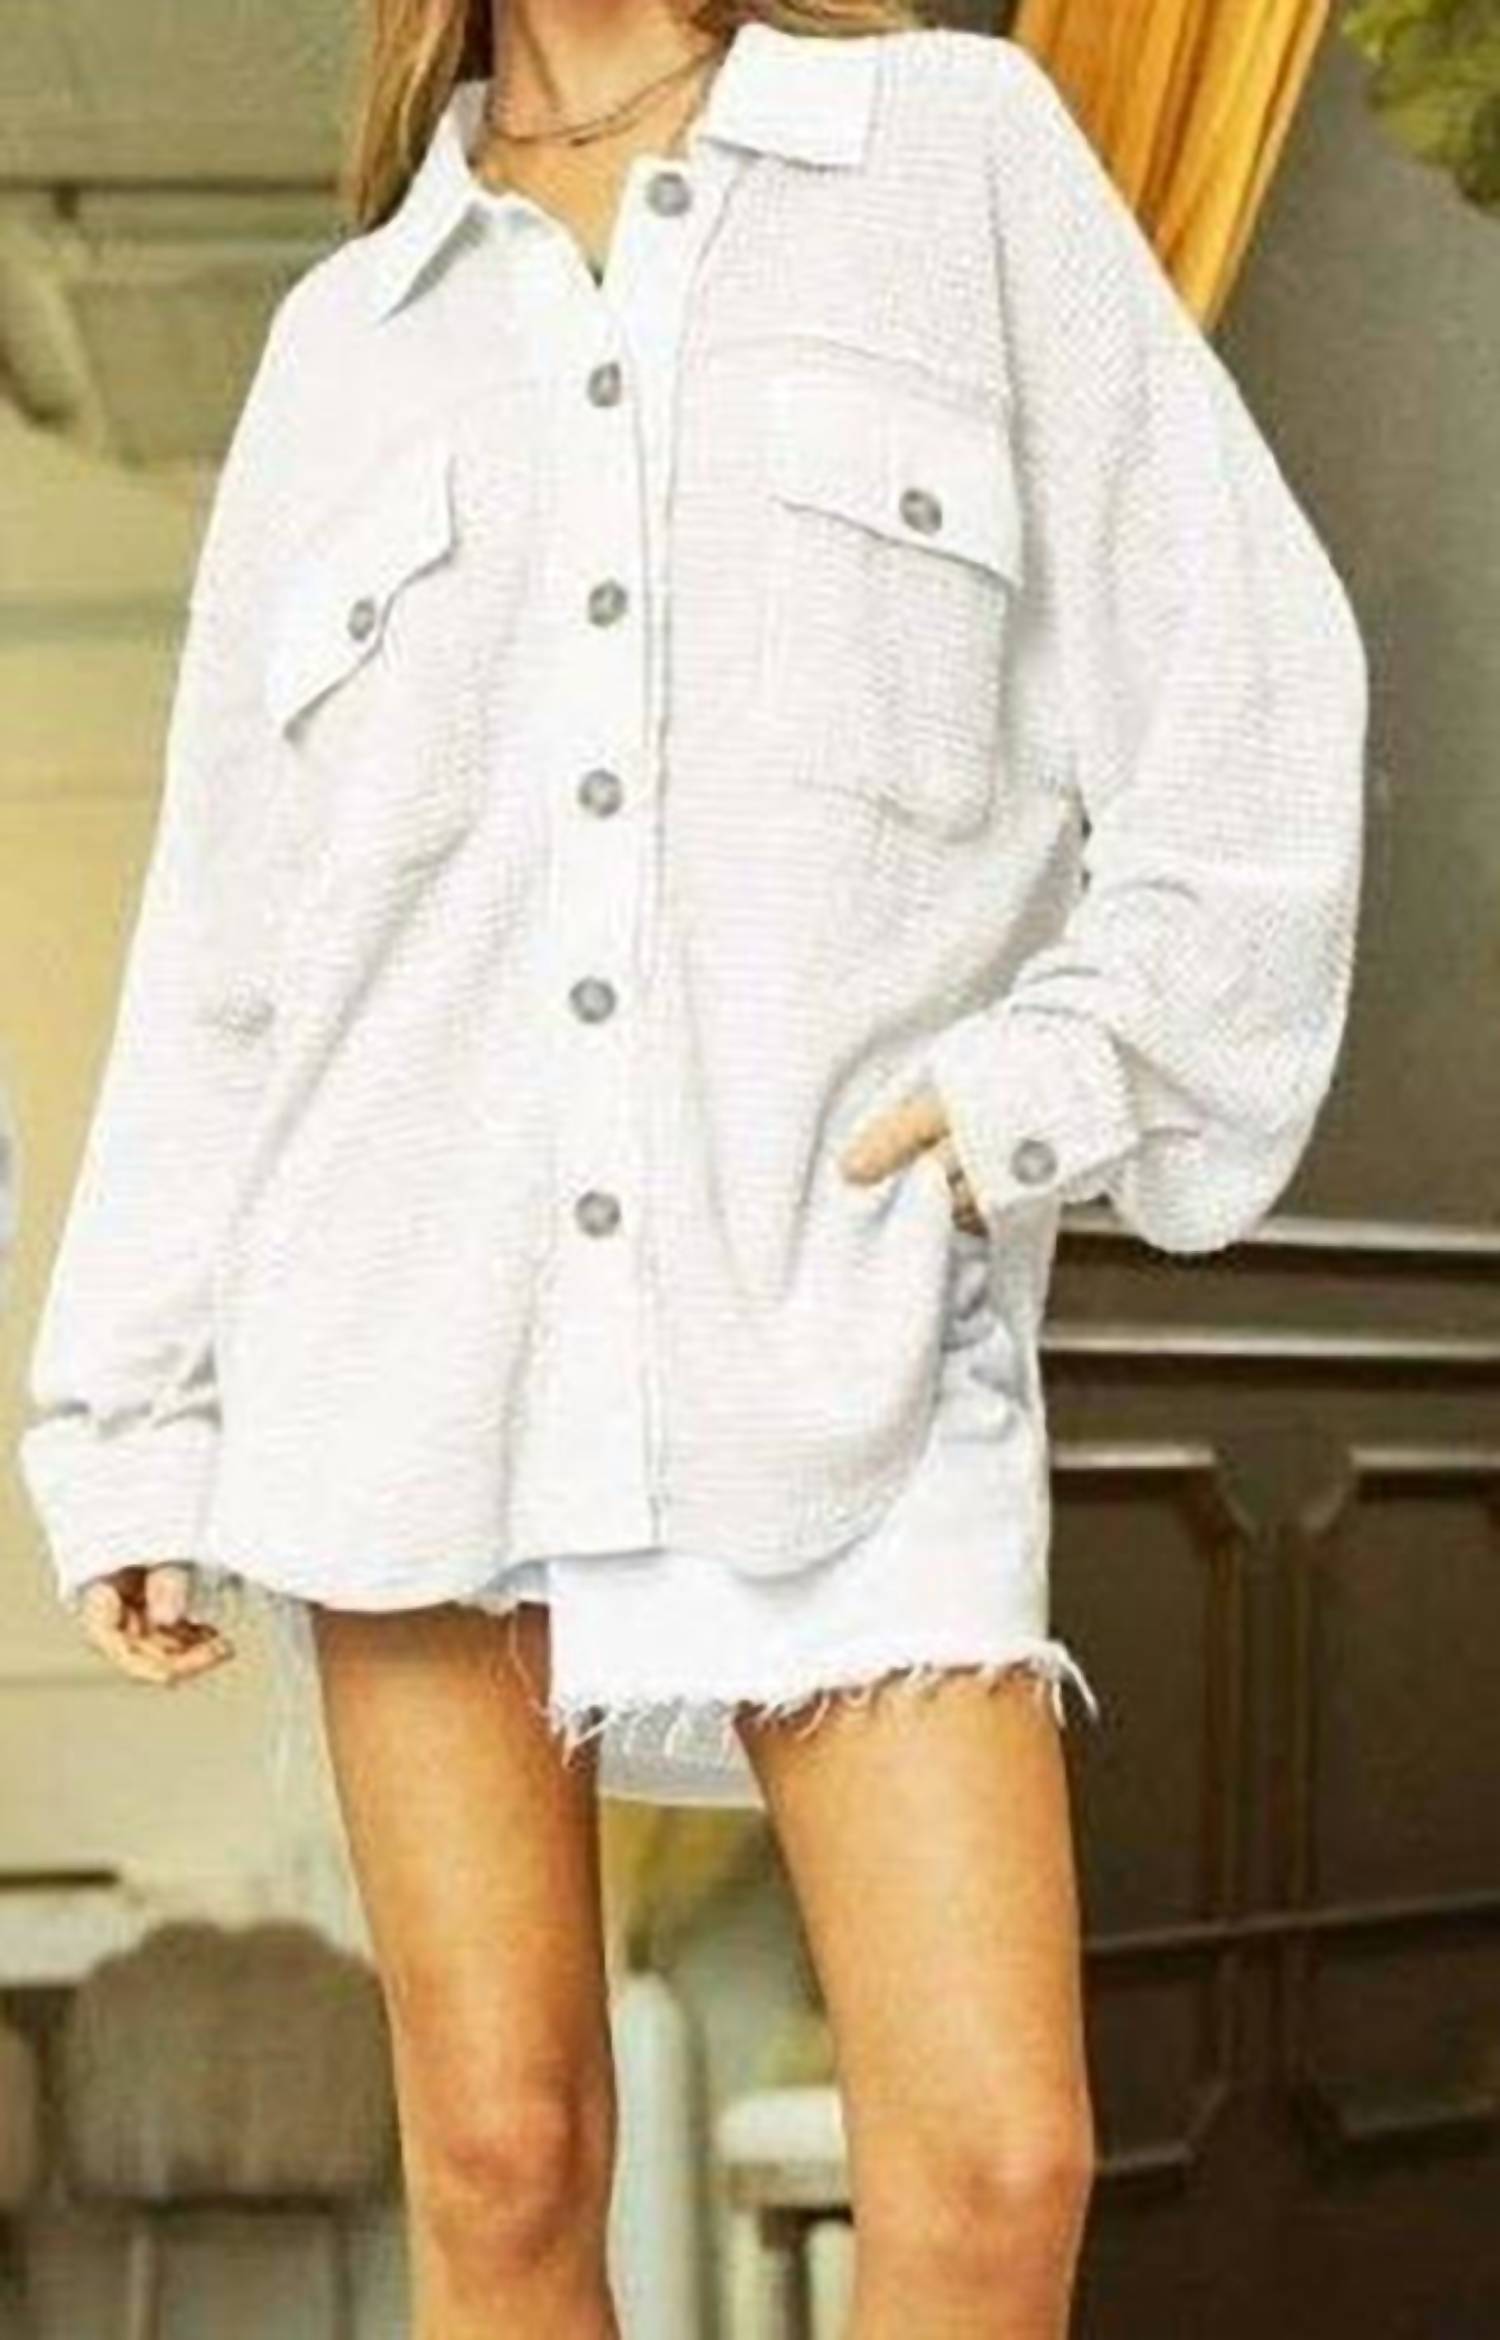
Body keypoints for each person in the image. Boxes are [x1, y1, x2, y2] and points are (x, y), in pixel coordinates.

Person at [16, 0, 1368, 2332]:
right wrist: (129, 1410)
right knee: (503, 2159)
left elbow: (1244, 672)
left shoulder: (950, 157)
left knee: (998, 2168)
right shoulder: (351, 341)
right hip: (412, 1332)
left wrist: (1064, 1067)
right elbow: (233, 939)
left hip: (831, 1311)